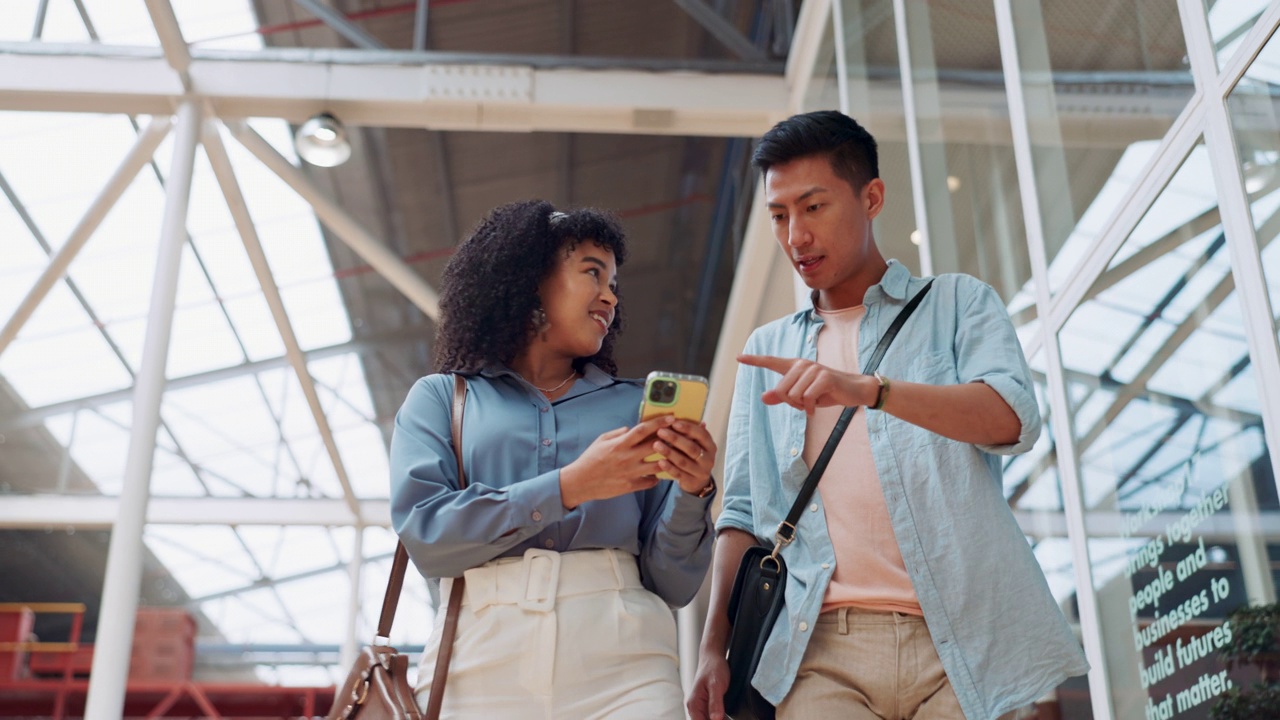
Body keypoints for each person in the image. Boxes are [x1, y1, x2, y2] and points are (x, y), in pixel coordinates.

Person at [687, 111, 1089, 720]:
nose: (795, 235)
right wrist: (712, 648)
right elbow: (741, 512)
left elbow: (1012, 419)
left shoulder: (957, 304)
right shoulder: (767, 350)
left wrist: (871, 390)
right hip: (817, 648)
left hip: (959, 640)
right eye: (779, 215)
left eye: (813, 207)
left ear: (870, 197)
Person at [390, 200, 718, 719]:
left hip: (626, 663)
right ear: (531, 278)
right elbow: (427, 537)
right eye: (593, 273)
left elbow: (672, 584)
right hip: (479, 662)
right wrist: (570, 486)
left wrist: (692, 494)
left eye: (614, 283)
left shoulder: (633, 407)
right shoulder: (441, 399)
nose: (610, 295)